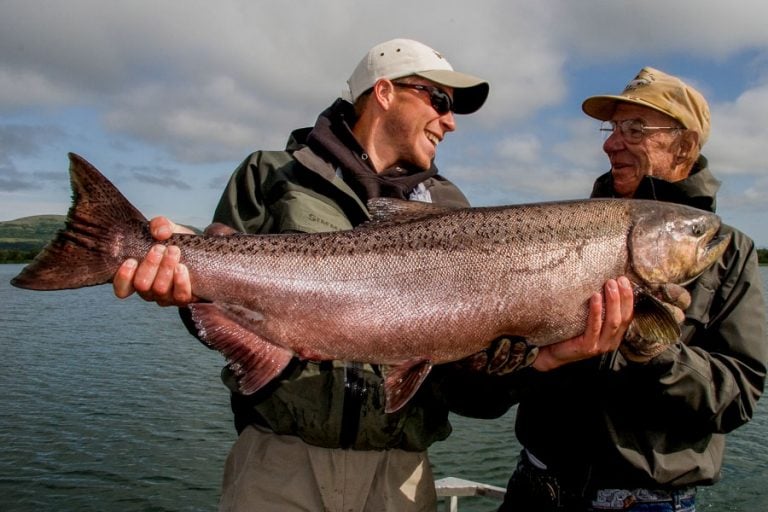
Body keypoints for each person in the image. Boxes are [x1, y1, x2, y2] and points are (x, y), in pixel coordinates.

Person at [111, 39, 634, 511]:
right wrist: (181, 290)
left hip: (400, 474)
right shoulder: (269, 174)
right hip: (279, 465)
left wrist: (530, 361)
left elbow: (471, 391)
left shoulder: (454, 209)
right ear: (383, 92)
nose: (450, 121)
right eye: (440, 100)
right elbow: (219, 310)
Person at [498, 67, 768, 511]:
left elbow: (736, 396)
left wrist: (656, 354)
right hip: (533, 488)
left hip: (642, 502)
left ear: (685, 145)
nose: (611, 143)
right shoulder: (561, 232)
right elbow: (506, 382)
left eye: (635, 129)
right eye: (613, 128)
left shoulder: (730, 251)